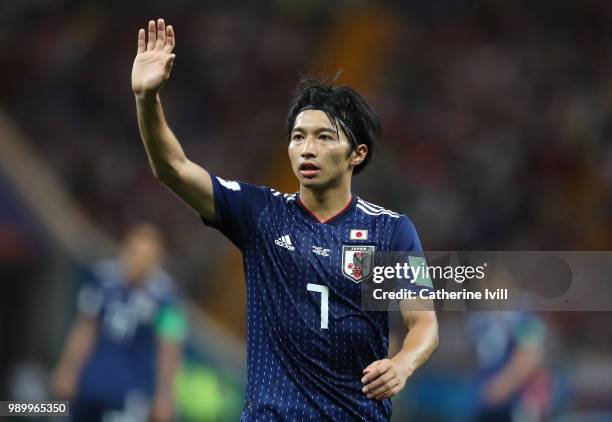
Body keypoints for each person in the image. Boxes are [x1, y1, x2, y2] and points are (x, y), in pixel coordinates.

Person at [131, 18, 438, 420]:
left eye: (324, 137)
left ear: (357, 154)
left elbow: (424, 325)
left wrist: (402, 364)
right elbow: (171, 167)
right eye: (298, 136)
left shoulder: (390, 231)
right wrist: (146, 99)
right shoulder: (260, 214)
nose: (306, 148)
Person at [52, 223, 186, 422]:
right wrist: (67, 369)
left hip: (131, 393)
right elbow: (85, 329)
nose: (139, 262)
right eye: (136, 253)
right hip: (90, 382)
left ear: (157, 260)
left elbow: (169, 348)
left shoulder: (167, 298)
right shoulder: (103, 278)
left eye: (147, 257)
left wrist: (164, 395)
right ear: (125, 249)